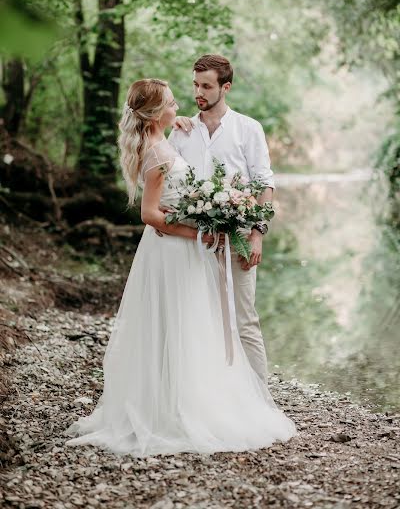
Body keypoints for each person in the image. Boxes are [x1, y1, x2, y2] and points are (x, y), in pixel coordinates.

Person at [64, 78, 296, 457]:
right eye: (172, 101)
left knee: (185, 325)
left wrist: (175, 127)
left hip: (180, 249)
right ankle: (174, 409)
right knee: (178, 323)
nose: (181, 105)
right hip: (172, 251)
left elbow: (173, 178)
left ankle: (181, 398)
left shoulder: (164, 141)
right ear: (157, 113)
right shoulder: (157, 153)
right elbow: (149, 213)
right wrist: (199, 230)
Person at [169, 54, 273, 386]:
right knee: (201, 318)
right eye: (196, 84)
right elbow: (165, 179)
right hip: (194, 238)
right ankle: (214, 393)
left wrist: (257, 233)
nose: (198, 92)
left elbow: (265, 183)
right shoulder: (183, 131)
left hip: (239, 235)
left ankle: (260, 396)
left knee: (245, 319)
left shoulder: (248, 128)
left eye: (206, 86)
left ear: (225, 87)